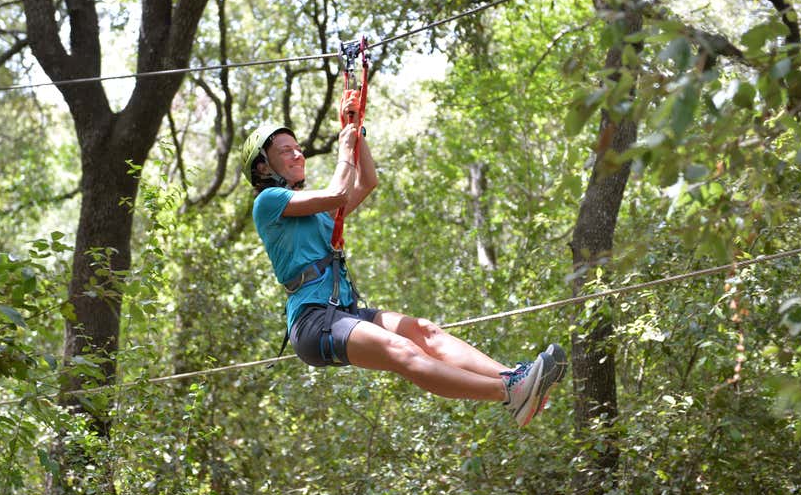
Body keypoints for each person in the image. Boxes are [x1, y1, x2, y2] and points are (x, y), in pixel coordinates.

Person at [241, 91, 567, 427]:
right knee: (402, 351)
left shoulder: (318, 215)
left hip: (342, 312)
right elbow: (338, 193)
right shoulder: (268, 202)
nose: (298, 154)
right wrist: (344, 146)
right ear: (263, 166)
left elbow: (367, 181)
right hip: (313, 319)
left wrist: (356, 129)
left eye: (298, 148)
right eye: (286, 151)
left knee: (424, 332)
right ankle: (508, 391)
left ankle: (518, 381)